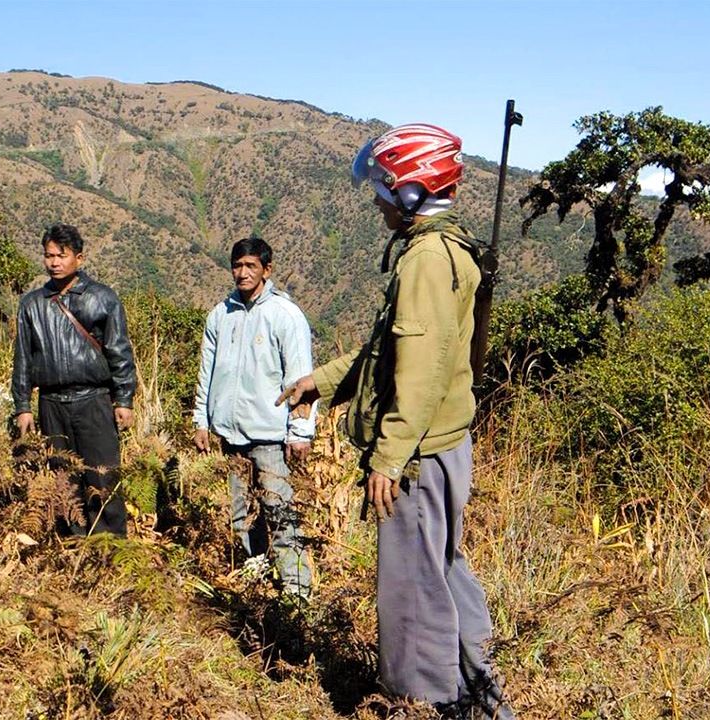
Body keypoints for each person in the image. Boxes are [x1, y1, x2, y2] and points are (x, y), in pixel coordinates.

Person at [278, 124, 514, 718]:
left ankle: (426, 702)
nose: (377, 199)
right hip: (440, 445)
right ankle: (478, 692)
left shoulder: (426, 260)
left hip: (418, 453)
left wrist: (389, 456)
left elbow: (424, 370)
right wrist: (324, 383)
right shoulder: (443, 249)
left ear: (411, 190)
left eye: (384, 187)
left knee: (411, 586)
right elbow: (390, 352)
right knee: (443, 566)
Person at [192, 236, 317, 597]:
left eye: (250, 266)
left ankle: (296, 591)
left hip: (270, 435)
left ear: (267, 269)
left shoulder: (284, 315)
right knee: (241, 516)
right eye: (237, 265)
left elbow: (301, 378)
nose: (242, 273)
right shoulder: (221, 314)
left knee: (279, 514)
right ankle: (256, 581)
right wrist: (202, 420)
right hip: (230, 434)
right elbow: (207, 372)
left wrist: (300, 431)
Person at [12, 224, 138, 536]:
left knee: (103, 477)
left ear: (79, 258)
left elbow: (119, 351)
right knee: (63, 482)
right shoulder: (32, 304)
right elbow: (23, 358)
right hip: (52, 403)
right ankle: (72, 549)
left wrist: (123, 399)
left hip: (93, 400)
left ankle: (112, 549)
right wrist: (23, 405)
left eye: (61, 256)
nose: (54, 262)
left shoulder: (102, 298)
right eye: (48, 256)